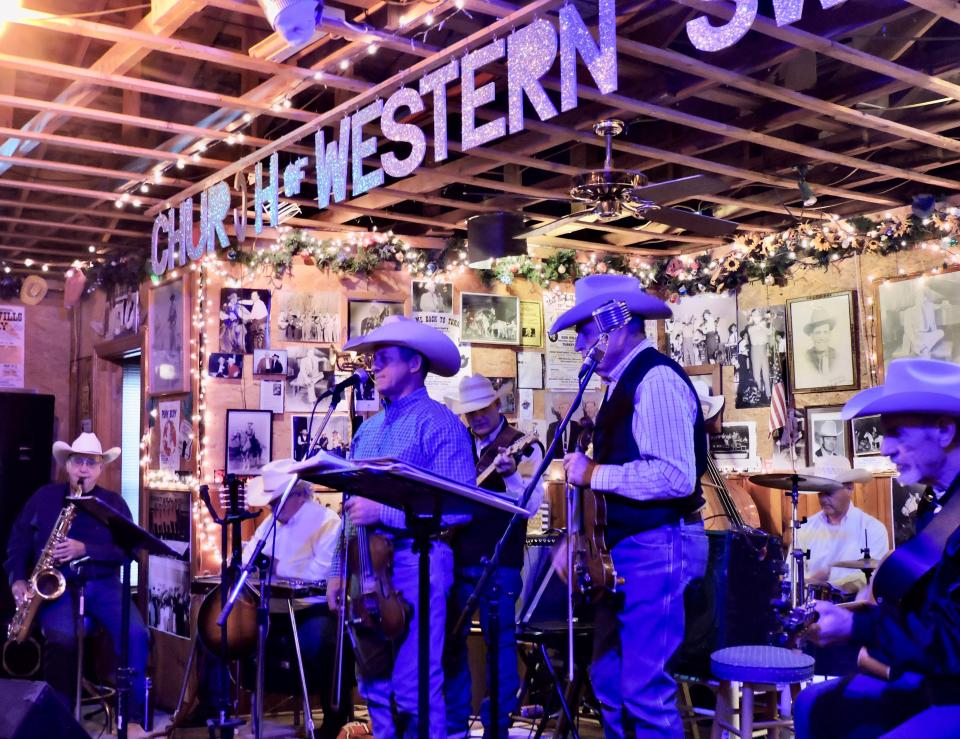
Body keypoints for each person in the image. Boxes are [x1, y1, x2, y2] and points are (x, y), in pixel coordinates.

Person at [553, 274, 709, 737]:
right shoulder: (623, 385)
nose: (581, 347)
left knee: (643, 689)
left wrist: (594, 472)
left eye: (584, 332)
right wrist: (576, 538)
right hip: (628, 549)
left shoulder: (655, 379)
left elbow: (675, 476)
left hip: (659, 544)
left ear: (614, 325)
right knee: (609, 682)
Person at [326, 316, 475, 739]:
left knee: (414, 688)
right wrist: (338, 571)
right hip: (365, 567)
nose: (374, 365)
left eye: (384, 358)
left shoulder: (440, 424)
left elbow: (461, 506)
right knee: (374, 685)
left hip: (418, 563)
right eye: (373, 359)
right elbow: (350, 509)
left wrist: (385, 514)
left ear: (414, 364)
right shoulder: (368, 430)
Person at [795, 358, 960, 738]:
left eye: (897, 433)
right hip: (940, 675)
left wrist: (856, 625)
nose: (885, 448)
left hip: (952, 683)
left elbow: (952, 638)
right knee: (812, 704)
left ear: (945, 430)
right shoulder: (937, 506)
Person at [5, 433, 150, 733]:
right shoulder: (44, 497)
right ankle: (59, 719)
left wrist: (86, 549)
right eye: (78, 462)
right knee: (61, 639)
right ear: (67, 465)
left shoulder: (114, 504)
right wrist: (17, 579)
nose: (84, 469)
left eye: (91, 463)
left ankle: (133, 716)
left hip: (104, 584)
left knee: (136, 634)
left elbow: (130, 551)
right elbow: (17, 540)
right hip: (56, 586)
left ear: (100, 469)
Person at [442, 375, 545, 738]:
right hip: (455, 558)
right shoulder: (456, 443)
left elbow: (532, 506)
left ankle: (496, 729)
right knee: (450, 641)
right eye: (471, 412)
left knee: (499, 646)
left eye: (483, 410)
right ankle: (455, 725)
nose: (477, 418)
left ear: (497, 406)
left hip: (500, 562)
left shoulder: (522, 446)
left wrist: (513, 476)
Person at [243, 471, 351, 739]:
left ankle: (335, 718)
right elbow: (249, 557)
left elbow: (321, 572)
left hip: (313, 608)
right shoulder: (271, 523)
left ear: (300, 495)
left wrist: (278, 567)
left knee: (322, 642)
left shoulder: (328, 522)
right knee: (234, 634)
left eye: (276, 500)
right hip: (273, 609)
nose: (271, 507)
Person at [795, 457, 889, 594]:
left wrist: (828, 586)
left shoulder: (873, 529)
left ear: (850, 489)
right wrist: (806, 582)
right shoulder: (804, 528)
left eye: (829, 492)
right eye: (820, 493)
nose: (823, 499)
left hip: (854, 608)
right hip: (810, 606)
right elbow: (791, 574)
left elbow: (874, 578)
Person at [803, 307, 839, 378]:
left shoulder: (837, 356)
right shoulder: (806, 357)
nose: (822, 338)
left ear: (829, 334)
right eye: (818, 333)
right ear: (811, 335)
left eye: (825, 332)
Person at [545, 396, 583, 461]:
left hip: (573, 462)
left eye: (567, 409)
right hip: (557, 463)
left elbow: (581, 447)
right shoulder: (552, 426)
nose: (565, 411)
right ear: (559, 411)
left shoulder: (577, 426)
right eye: (562, 408)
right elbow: (549, 448)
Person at [746, 308, 772, 399]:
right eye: (754, 315)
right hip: (755, 350)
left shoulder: (764, 325)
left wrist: (765, 324)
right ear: (752, 317)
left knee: (766, 373)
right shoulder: (749, 327)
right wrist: (760, 325)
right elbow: (751, 331)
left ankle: (769, 394)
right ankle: (758, 394)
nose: (756, 316)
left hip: (764, 349)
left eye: (758, 314)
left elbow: (770, 332)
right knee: (756, 374)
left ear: (760, 316)